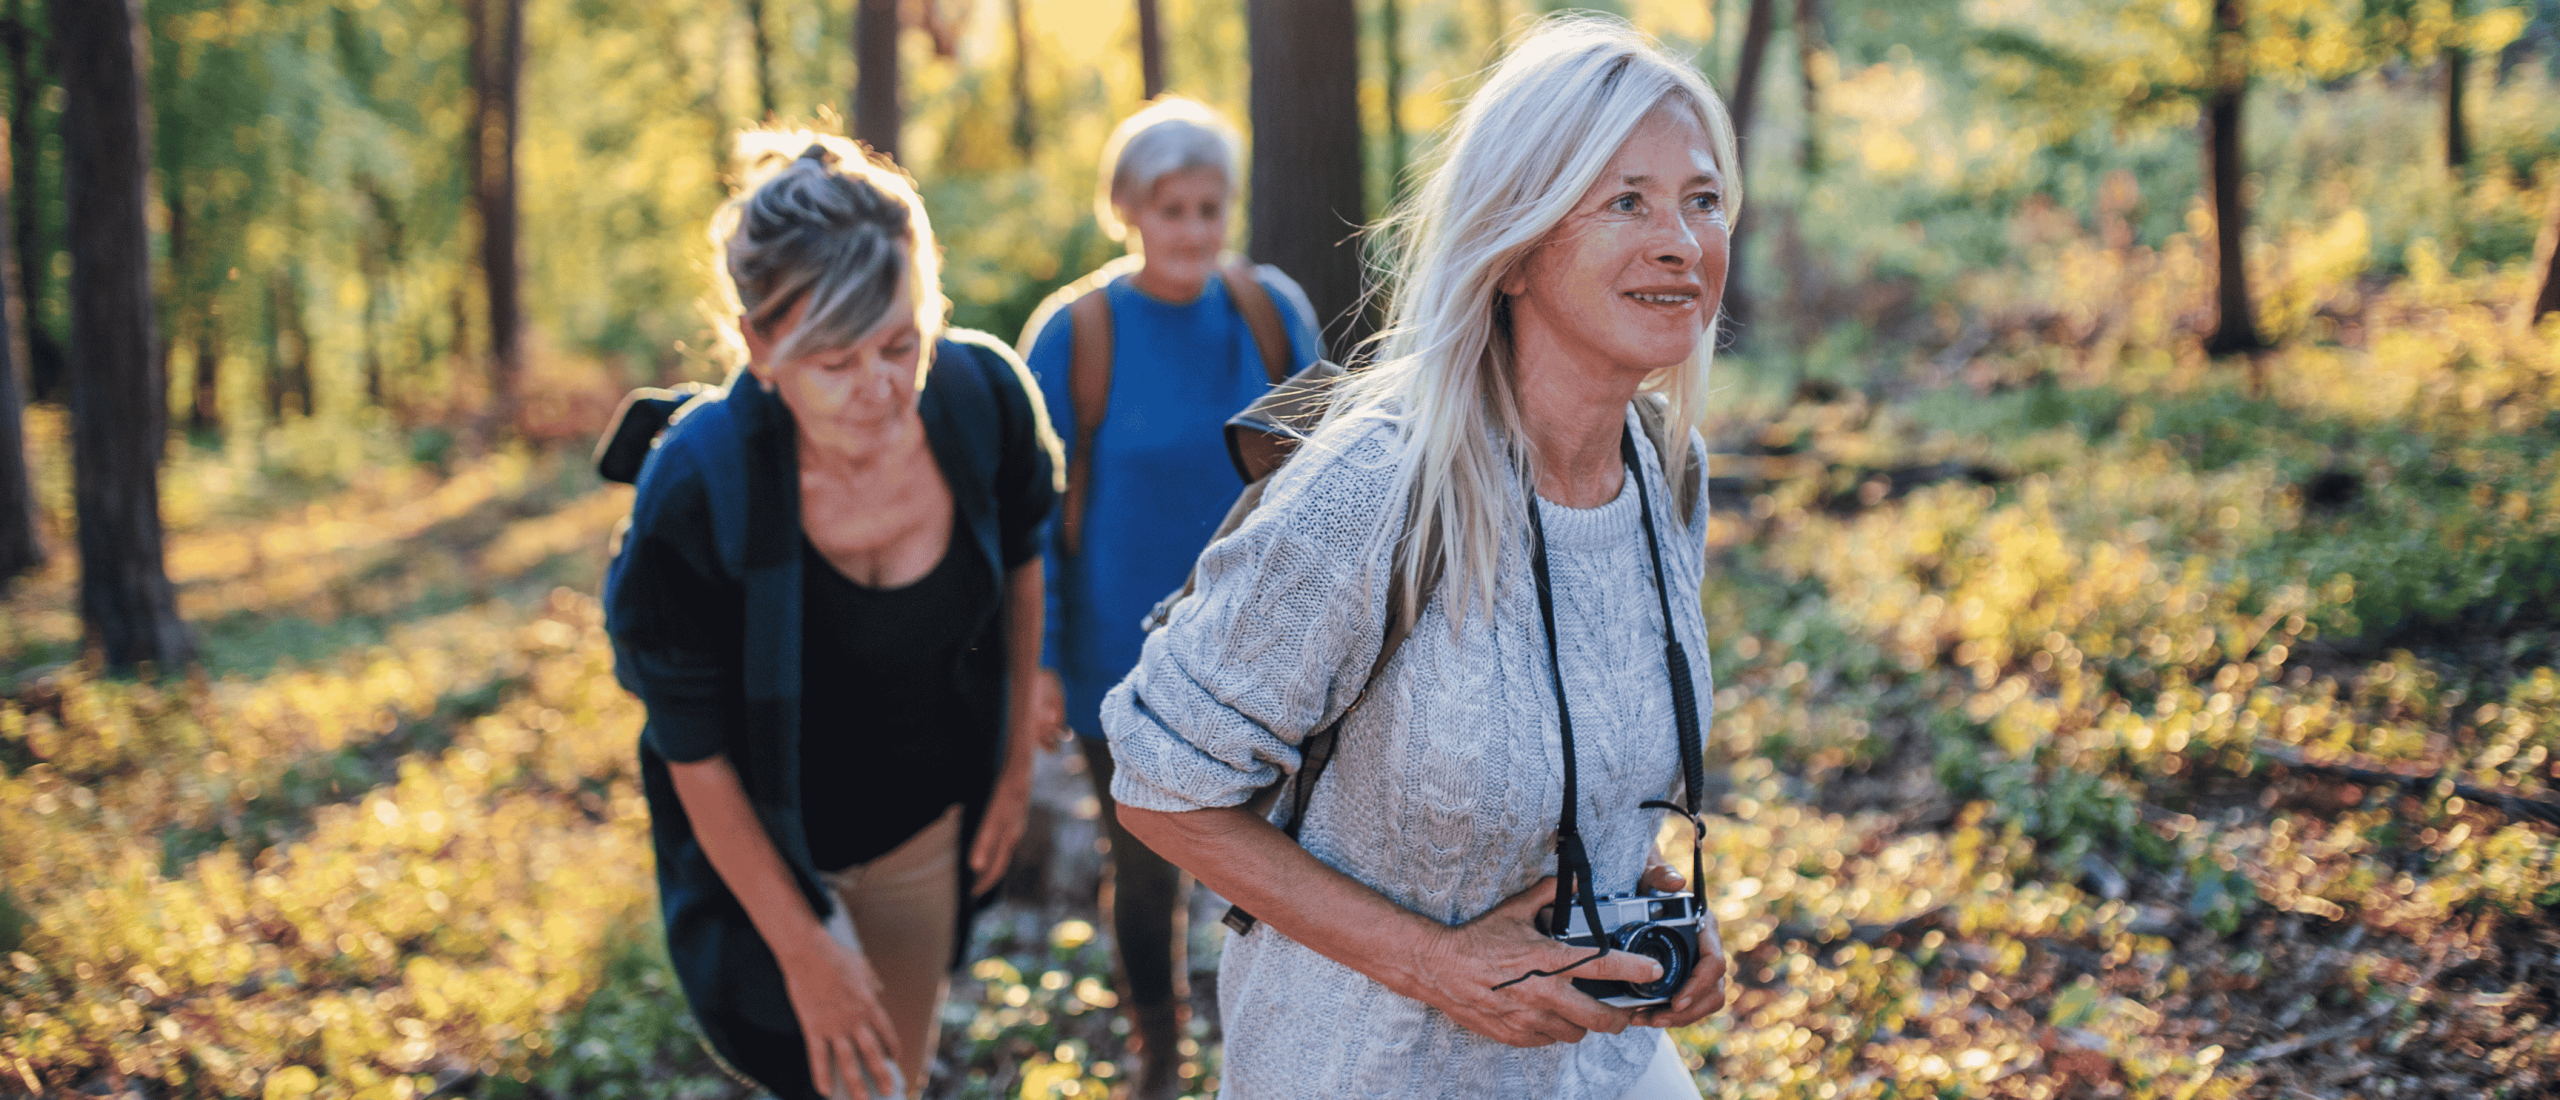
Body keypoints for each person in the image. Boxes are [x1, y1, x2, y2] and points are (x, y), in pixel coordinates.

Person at [1100, 17, 1736, 1099]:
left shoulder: (1665, 471)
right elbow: (1160, 783)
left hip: (1598, 1064)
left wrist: (1657, 902)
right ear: (1518, 242)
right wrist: (1439, 964)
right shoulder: (1375, 489)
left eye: (1703, 199)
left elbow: (1581, 762)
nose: (1681, 239)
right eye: (1625, 199)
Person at [605, 133, 1061, 1100]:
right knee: (805, 1066)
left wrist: (1016, 762)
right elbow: (691, 748)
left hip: (920, 831)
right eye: (836, 360)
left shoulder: (983, 400)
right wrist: (807, 949)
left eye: (902, 343)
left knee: (888, 1075)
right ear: (761, 347)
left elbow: (1023, 562)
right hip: (759, 843)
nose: (882, 389)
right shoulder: (695, 487)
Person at [1014, 95, 1323, 1098]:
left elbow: (1329, 478)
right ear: (1130, 211)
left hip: (1264, 646)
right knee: (1147, 865)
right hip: (1123, 654)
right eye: (1171, 209)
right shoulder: (1075, 334)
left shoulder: (1272, 312)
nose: (1191, 230)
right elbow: (1032, 514)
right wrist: (1044, 661)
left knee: (1279, 866)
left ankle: (1271, 1049)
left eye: (1208, 208)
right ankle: (1159, 1048)